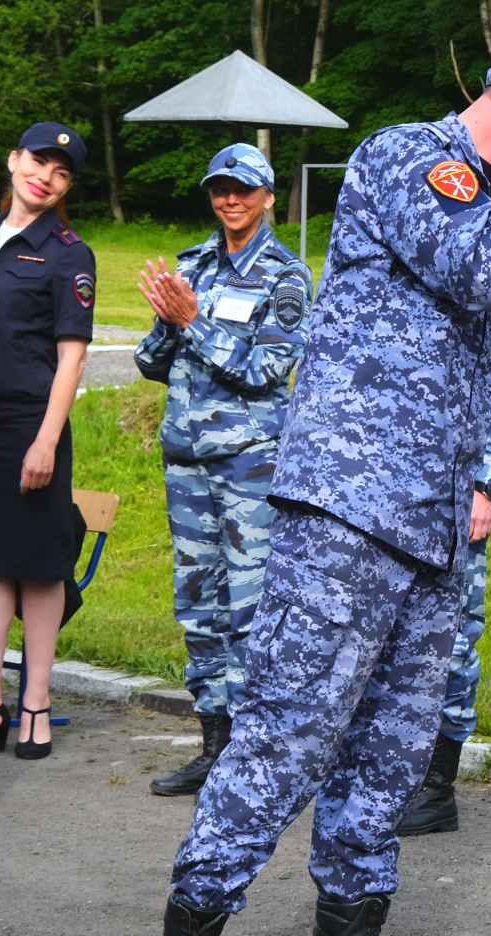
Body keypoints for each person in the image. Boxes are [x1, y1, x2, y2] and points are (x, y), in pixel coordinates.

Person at [116, 30, 491, 936]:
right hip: (346, 508)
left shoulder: (478, 196)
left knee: (386, 758)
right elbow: (480, 273)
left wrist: (481, 481)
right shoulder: (408, 157)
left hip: (430, 525)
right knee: (282, 739)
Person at [133, 143, 312, 796]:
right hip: (186, 459)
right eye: (219, 190)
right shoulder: (192, 265)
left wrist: (194, 321)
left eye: (241, 189)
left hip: (248, 466)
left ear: (267, 197)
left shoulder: (286, 277)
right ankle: (212, 740)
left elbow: (266, 370)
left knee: (251, 608)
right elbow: (152, 364)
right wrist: (164, 322)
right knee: (198, 604)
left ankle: (257, 751)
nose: (229, 201)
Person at [0, 122, 96, 762]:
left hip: (29, 425)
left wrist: (46, 440)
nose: (46, 177)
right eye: (39, 161)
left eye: (61, 173)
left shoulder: (68, 253)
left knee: (38, 565)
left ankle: (35, 700)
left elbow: (72, 359)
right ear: (13, 161)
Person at [396, 281, 491, 836]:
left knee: (450, 638)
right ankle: (393, 778)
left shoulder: (487, 259)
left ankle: (436, 788)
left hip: (456, 487)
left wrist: (486, 483)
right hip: (384, 481)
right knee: (387, 640)